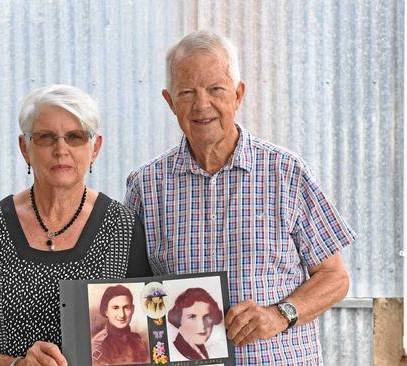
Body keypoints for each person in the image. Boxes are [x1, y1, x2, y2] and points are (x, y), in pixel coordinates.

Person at [124, 31, 356, 365]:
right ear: (170, 101)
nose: (202, 105)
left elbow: (335, 277)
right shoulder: (146, 186)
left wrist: (280, 315)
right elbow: (135, 293)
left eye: (216, 89)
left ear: (238, 94)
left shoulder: (286, 172)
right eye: (187, 93)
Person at [0, 84, 153, 366]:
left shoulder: (123, 228)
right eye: (45, 137)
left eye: (75, 137)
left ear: (95, 147)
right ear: (25, 147)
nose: (60, 149)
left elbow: (148, 343)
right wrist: (16, 365)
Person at [90, 285, 150, 365]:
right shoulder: (98, 345)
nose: (122, 315)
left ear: (132, 309)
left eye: (126, 307)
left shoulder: (139, 341)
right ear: (106, 311)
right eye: (115, 308)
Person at [167, 288, 224, 360]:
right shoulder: (178, 349)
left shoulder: (200, 349)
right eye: (192, 317)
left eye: (207, 317)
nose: (201, 326)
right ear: (179, 319)